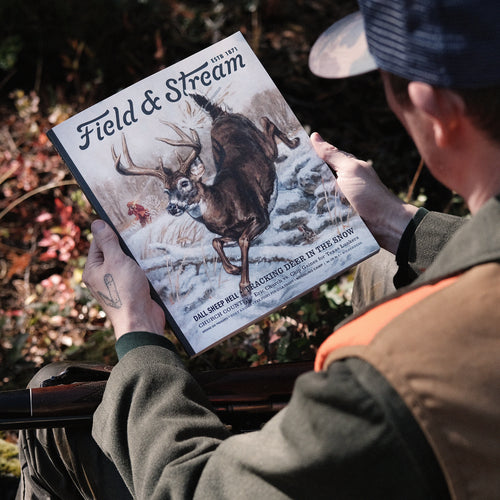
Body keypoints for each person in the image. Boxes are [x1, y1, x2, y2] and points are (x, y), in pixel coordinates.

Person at [16, 0, 500, 498]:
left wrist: (138, 334)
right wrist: (396, 221)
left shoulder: (389, 379)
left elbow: (194, 490)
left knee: (56, 421)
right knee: (383, 265)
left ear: (435, 109)